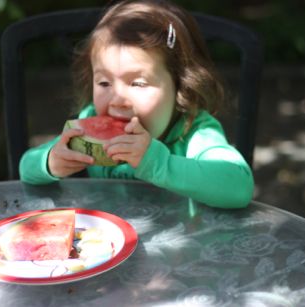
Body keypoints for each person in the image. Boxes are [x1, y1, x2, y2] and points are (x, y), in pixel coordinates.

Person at [19, 0, 254, 208]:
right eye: (104, 82)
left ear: (181, 87)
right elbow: (26, 167)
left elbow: (239, 187)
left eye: (138, 84)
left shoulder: (193, 131)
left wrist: (158, 164)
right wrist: (51, 161)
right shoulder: (89, 118)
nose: (117, 99)